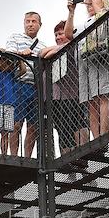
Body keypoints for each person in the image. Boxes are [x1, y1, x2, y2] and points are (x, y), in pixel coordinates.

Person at [63, 0, 109, 139]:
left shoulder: (108, 12)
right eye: (88, 0)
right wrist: (71, 12)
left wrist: (91, 0)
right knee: (90, 101)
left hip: (101, 57)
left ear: (102, 0)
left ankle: (105, 134)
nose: (89, 2)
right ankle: (96, 137)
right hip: (83, 60)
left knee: (102, 95)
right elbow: (68, 35)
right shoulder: (86, 22)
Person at [1, 12, 45, 157]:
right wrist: (21, 53)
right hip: (18, 84)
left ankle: (27, 157)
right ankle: (14, 156)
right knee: (16, 123)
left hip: (36, 88)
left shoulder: (43, 46)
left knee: (33, 126)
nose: (30, 24)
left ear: (40, 24)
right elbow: (9, 54)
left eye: (33, 21)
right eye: (27, 21)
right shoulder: (15, 38)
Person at [41, 21, 86, 154]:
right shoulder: (58, 47)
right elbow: (41, 54)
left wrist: (52, 50)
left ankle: (83, 151)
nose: (57, 37)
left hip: (71, 94)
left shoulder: (74, 45)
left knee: (78, 123)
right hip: (54, 97)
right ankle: (67, 158)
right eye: (56, 35)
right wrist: (52, 50)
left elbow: (47, 54)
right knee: (62, 128)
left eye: (60, 33)